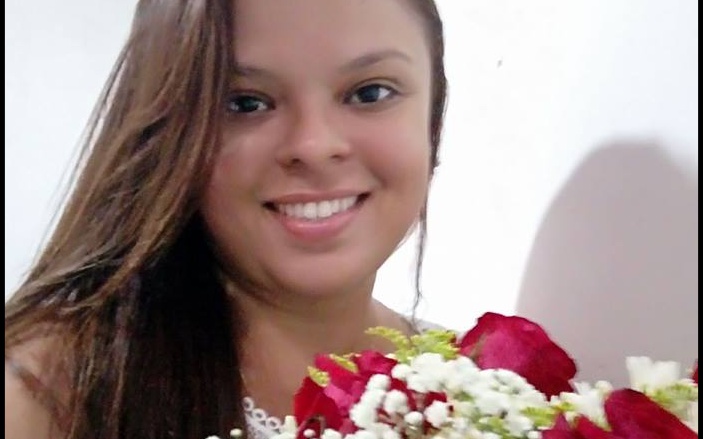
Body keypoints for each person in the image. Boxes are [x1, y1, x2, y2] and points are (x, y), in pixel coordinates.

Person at [4, 0, 448, 438]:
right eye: (245, 103)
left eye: (370, 93)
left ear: (434, 117)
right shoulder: (43, 394)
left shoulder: (470, 382)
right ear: (165, 132)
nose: (313, 146)